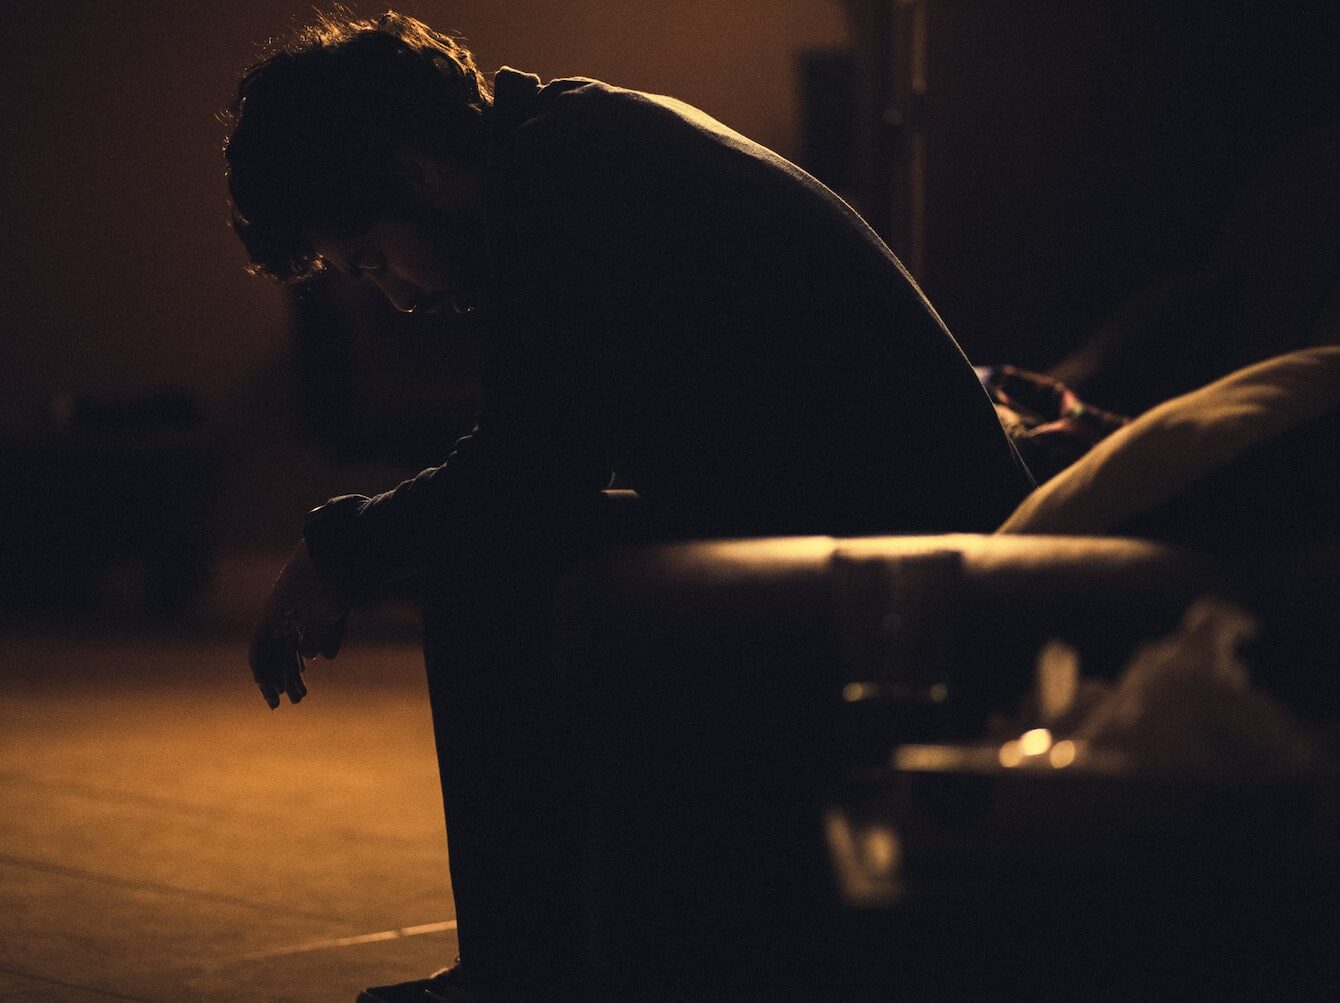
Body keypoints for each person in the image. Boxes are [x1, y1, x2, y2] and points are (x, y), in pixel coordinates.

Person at [225, 11, 1033, 1000]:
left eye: (370, 259)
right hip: (868, 530)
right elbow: (547, 454)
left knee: (489, 572)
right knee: (516, 552)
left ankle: (527, 970)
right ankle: (539, 959)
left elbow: (529, 473)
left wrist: (335, 552)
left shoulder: (569, 185)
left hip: (919, 567)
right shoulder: (564, 150)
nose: (392, 295)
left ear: (418, 177)